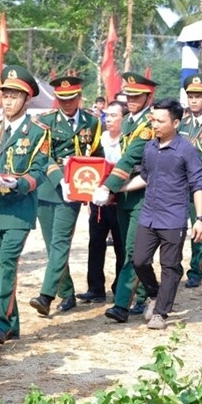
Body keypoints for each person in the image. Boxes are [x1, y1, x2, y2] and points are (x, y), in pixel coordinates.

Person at [118, 98, 202, 330]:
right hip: (149, 216)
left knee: (170, 266)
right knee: (139, 260)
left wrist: (200, 219)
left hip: (173, 218)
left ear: (175, 122)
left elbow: (198, 184)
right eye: (153, 120)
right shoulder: (150, 147)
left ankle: (161, 313)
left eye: (160, 121)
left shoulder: (186, 150)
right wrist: (120, 187)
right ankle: (155, 294)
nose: (155, 125)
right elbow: (145, 177)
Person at [0, 65, 49, 345]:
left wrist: (18, 184)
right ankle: (13, 323)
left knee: (8, 263)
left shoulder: (37, 132)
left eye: (15, 96)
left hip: (19, 210)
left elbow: (40, 171)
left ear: (27, 99)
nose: (8, 101)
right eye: (5, 96)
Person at [29, 77, 103, 315]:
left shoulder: (91, 122)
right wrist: (59, 178)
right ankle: (67, 293)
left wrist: (95, 182)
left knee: (61, 241)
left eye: (71, 99)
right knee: (53, 247)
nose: (67, 104)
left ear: (79, 97)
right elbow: (42, 156)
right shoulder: (46, 121)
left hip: (74, 188)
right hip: (48, 186)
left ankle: (46, 296)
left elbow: (96, 153)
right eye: (62, 99)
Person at [93, 72, 157, 323]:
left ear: (148, 97)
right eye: (128, 95)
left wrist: (108, 186)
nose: (131, 100)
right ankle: (144, 295)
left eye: (137, 96)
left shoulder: (147, 125)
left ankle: (121, 305)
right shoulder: (130, 121)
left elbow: (131, 158)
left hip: (143, 194)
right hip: (125, 194)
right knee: (131, 248)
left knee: (132, 249)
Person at [78, 101, 127, 302]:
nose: (108, 119)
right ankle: (96, 288)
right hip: (98, 202)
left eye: (114, 115)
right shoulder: (99, 139)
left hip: (121, 202)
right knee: (95, 244)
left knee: (121, 246)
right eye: (106, 115)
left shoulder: (129, 141)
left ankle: (120, 288)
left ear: (124, 119)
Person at [177, 73, 202, 288]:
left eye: (198, 96)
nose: (194, 100)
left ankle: (196, 270)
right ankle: (174, 267)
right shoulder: (181, 121)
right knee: (174, 228)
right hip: (179, 184)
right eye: (190, 96)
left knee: (199, 229)